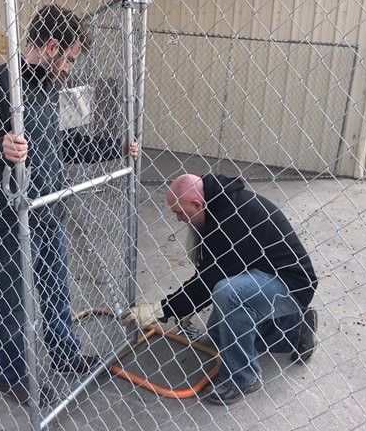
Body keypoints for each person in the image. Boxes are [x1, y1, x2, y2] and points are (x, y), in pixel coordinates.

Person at [0, 4, 138, 406]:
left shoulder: (48, 89)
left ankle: (63, 353)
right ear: (52, 46)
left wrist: (117, 147)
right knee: (15, 295)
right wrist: (0, 147)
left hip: (49, 209)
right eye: (70, 59)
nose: (69, 69)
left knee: (56, 288)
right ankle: (12, 374)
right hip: (10, 216)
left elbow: (66, 144)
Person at [122, 173, 318, 405]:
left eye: (179, 212)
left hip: (290, 285)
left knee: (228, 293)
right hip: (261, 275)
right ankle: (294, 330)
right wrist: (179, 306)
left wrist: (160, 310)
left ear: (197, 204)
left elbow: (211, 280)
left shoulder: (231, 219)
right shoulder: (217, 206)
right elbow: (209, 270)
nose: (177, 219)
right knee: (218, 336)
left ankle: (242, 377)